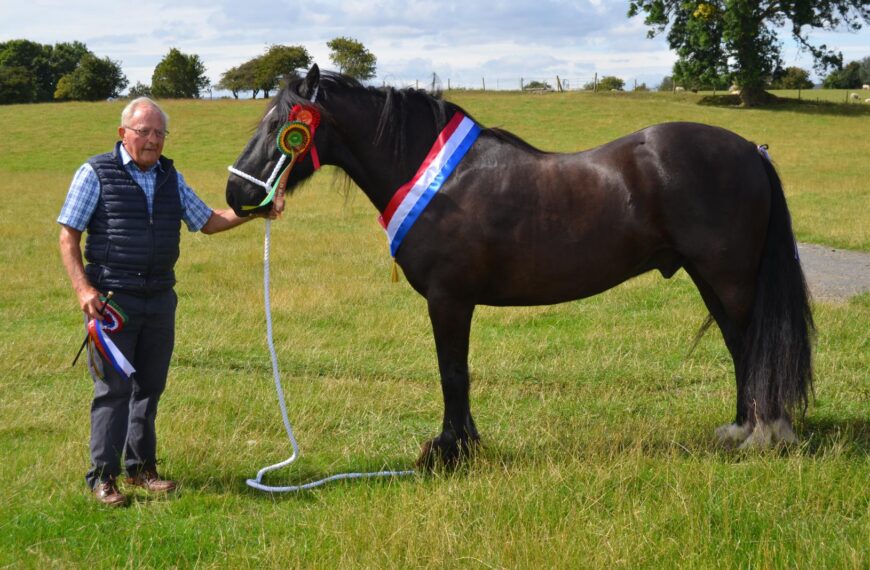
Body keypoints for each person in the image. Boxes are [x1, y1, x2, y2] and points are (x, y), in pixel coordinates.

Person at [58, 97, 277, 506]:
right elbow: (68, 234)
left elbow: (208, 221)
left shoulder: (169, 177)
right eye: (144, 132)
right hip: (113, 303)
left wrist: (257, 211)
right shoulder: (96, 173)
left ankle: (141, 469)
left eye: (160, 133)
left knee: (150, 387)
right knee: (113, 389)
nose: (153, 140)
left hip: (160, 298)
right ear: (123, 133)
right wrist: (84, 290)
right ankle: (103, 478)